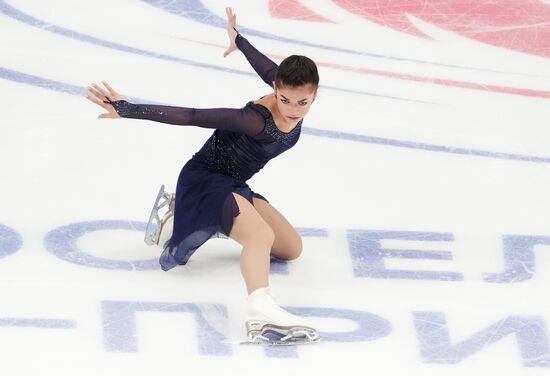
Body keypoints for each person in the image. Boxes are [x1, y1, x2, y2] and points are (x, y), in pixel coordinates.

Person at [86, 7, 320, 345]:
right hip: (206, 180)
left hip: (234, 184)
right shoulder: (255, 120)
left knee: (291, 248)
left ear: (314, 95)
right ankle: (261, 310)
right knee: (260, 238)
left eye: (303, 102)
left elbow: (265, 66)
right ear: (277, 89)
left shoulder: (287, 85)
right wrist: (129, 109)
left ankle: (198, 215)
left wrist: (238, 40)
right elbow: (194, 115)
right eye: (285, 99)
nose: (292, 109)